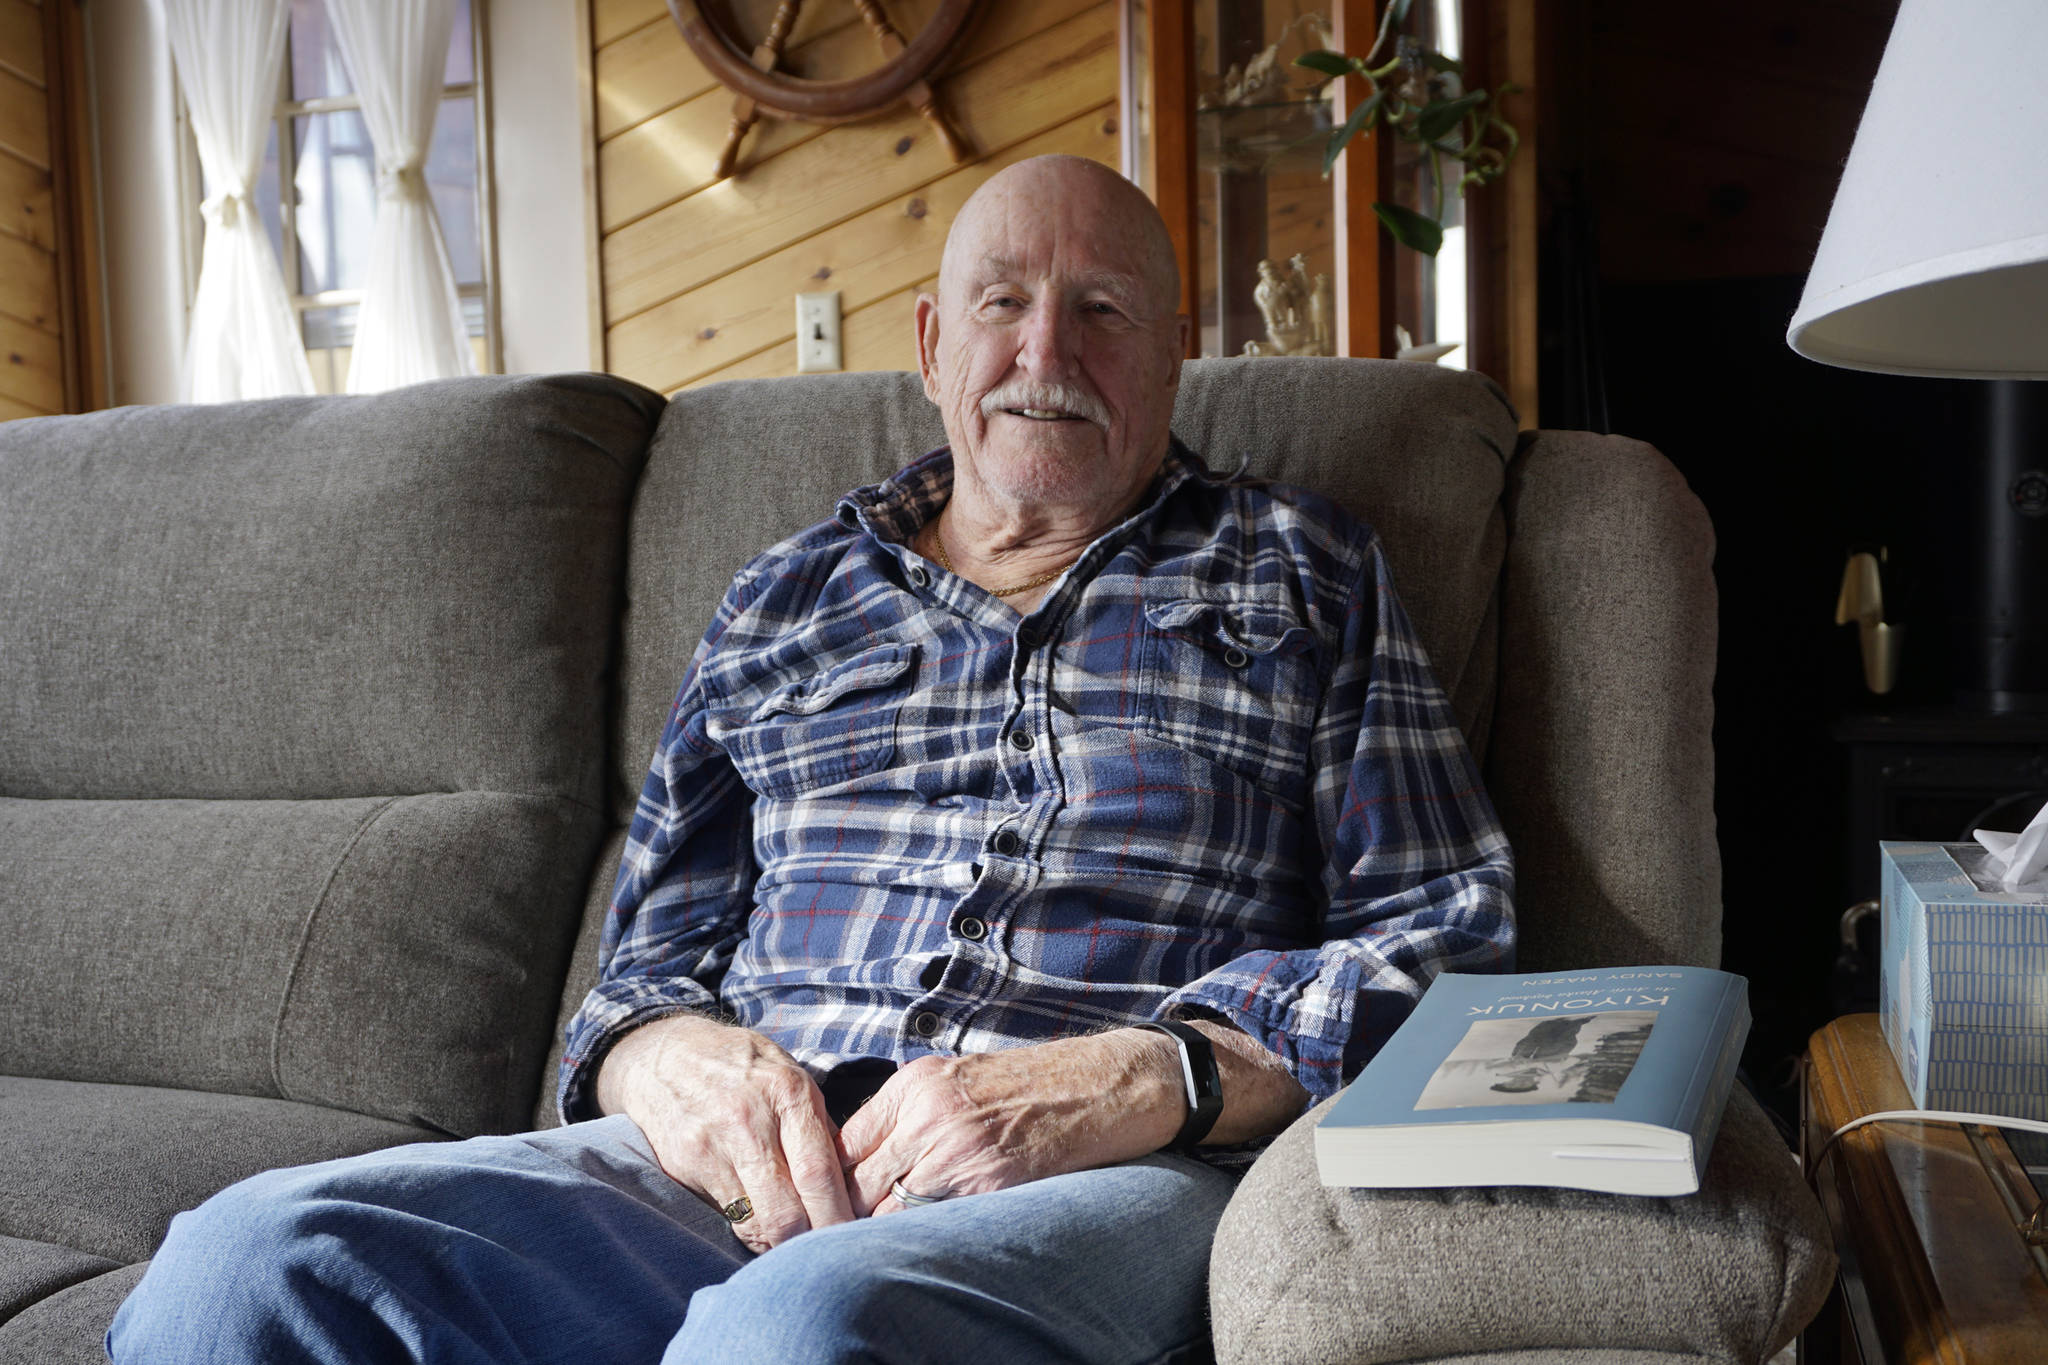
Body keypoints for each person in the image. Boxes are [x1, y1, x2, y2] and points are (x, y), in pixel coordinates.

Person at [108, 155, 1513, 1365]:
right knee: (244, 1263)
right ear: (928, 344)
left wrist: (1149, 1077)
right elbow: (643, 970)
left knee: (792, 1332)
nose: (1045, 354)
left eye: (1101, 311)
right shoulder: (782, 599)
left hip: (1110, 1166)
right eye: (1002, 304)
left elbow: (1452, 939)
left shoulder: (1300, 569)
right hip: (733, 1175)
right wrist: (666, 1060)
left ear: (1171, 353)